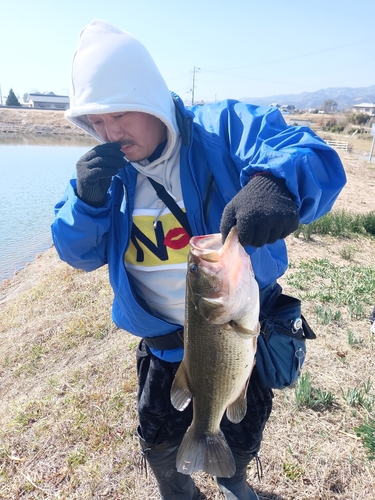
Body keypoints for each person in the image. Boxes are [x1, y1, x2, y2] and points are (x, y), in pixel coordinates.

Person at [51, 19, 347, 500]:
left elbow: (308, 152)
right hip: (163, 346)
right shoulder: (106, 175)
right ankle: (178, 491)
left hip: (235, 336)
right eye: (95, 121)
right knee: (159, 443)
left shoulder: (223, 128)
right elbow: (77, 253)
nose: (109, 131)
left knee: (241, 435)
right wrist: (86, 201)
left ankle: (235, 483)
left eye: (120, 113)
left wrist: (277, 183)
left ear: (150, 97)